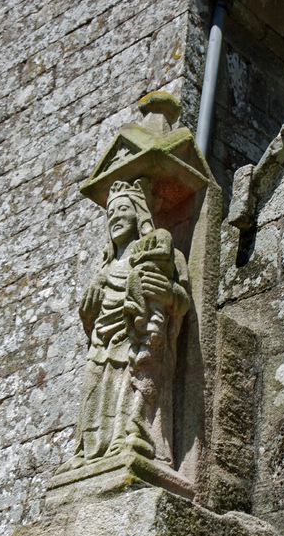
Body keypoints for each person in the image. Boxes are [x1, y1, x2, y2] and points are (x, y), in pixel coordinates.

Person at [57, 179, 190, 473]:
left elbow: (182, 301)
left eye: (122, 210)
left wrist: (168, 295)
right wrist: (89, 307)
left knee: (131, 391)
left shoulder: (165, 256)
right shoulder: (103, 271)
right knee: (94, 392)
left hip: (138, 339)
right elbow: (90, 320)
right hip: (102, 344)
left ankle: (132, 438)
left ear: (139, 214)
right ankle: (89, 451)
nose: (115, 217)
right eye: (110, 213)